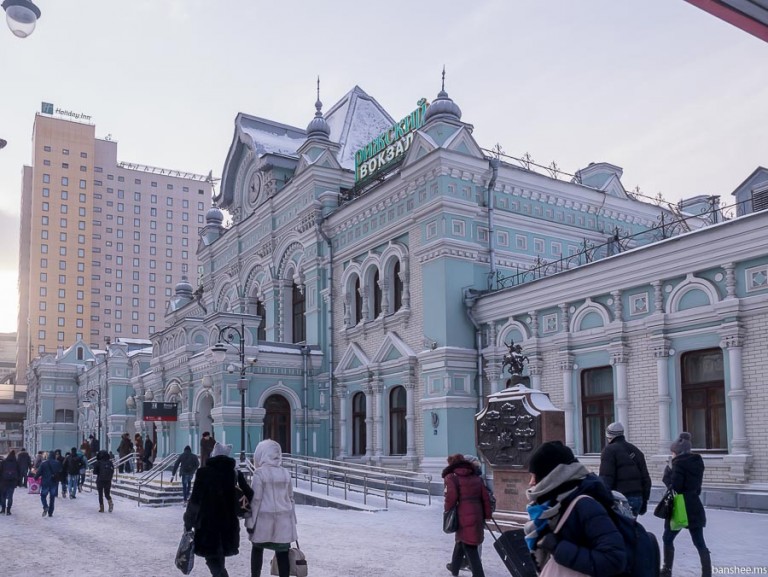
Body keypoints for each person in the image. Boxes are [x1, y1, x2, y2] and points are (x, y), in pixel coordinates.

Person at [524, 441, 626, 577]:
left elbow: (614, 560)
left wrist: (558, 547)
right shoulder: (553, 506)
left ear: (553, 475)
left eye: (535, 476)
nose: (531, 482)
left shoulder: (585, 505)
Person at [184, 442, 252, 577]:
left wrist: (188, 522)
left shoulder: (203, 473)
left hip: (207, 525)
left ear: (213, 455)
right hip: (228, 524)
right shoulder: (233, 474)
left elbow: (195, 501)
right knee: (219, 559)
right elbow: (249, 494)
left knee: (212, 559)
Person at [660, 432, 710, 577]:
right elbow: (697, 488)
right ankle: (707, 573)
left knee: (667, 538)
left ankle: (667, 570)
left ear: (678, 452)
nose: (672, 454)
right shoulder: (697, 462)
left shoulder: (678, 464)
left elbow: (675, 487)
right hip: (694, 505)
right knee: (699, 542)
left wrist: (668, 473)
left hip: (679, 507)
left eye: (673, 452)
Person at [247, 439, 298, 577]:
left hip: (263, 523)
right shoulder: (285, 473)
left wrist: (250, 523)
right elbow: (291, 498)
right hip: (283, 523)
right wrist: (293, 522)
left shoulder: (259, 474)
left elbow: (255, 500)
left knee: (257, 549)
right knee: (282, 554)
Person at [443, 453, 493, 577]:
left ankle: (479, 574)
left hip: (462, 514)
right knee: (461, 540)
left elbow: (451, 498)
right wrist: (487, 514)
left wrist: (447, 511)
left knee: (470, 546)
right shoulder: (476, 477)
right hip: (477, 513)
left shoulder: (452, 478)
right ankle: (454, 567)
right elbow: (485, 497)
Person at [599, 421, 652, 517]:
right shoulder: (635, 450)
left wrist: (603, 499)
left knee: (619, 526)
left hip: (620, 499)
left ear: (609, 436)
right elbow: (646, 479)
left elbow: (606, 478)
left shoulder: (609, 451)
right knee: (631, 525)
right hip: (638, 498)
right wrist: (644, 500)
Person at [35, 449, 63, 517]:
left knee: (43, 496)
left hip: (45, 482)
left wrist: (35, 477)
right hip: (54, 482)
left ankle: (45, 506)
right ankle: (50, 512)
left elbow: (39, 472)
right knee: (52, 498)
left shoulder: (44, 463)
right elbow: (60, 471)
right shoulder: (57, 463)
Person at [0, 449, 21, 514]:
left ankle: (3, 509)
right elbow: (19, 473)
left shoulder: (3, 462)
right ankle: (8, 510)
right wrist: (18, 482)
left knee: (3, 496)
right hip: (12, 482)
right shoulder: (16, 463)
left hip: (4, 482)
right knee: (10, 496)